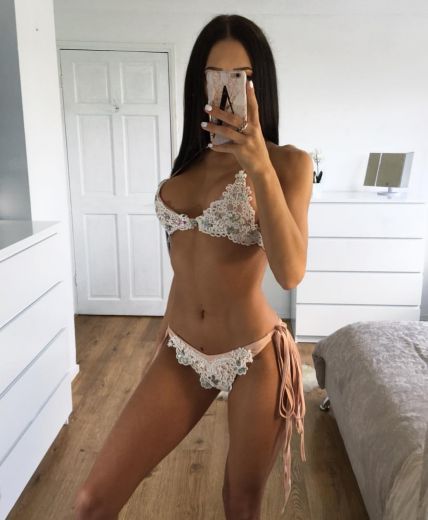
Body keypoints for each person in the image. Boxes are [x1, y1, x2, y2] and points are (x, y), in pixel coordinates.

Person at [74, 13, 313, 520]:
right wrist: (163, 337)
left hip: (254, 354)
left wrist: (257, 165)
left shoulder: (287, 164)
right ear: (198, 86)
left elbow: (290, 272)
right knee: (92, 501)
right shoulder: (188, 165)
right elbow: (185, 266)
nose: (227, 89)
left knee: (239, 504)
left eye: (241, 77)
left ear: (259, 86)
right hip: (180, 350)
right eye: (215, 76)